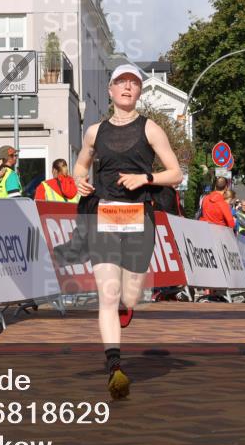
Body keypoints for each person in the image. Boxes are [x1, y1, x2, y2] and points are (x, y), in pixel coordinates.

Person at [72, 63, 182, 400]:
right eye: (121, 82)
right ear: (110, 90)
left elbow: (175, 173)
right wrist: (80, 178)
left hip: (138, 217)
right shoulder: (95, 131)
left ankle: (127, 303)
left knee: (129, 295)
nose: (127, 87)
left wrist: (145, 179)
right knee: (106, 293)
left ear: (139, 92)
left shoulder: (150, 130)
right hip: (104, 214)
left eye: (134, 83)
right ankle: (114, 367)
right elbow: (81, 162)